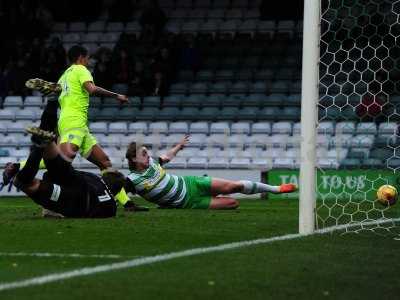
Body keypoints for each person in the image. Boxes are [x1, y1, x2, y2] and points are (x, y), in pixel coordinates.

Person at [4, 45, 141, 210]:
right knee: (61, 161)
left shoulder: (63, 77)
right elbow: (91, 89)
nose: (88, 61)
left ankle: (127, 203)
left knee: (104, 162)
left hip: (74, 123)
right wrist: (116, 95)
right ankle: (18, 166)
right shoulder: (81, 69)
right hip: (74, 122)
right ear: (82, 57)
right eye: (88, 58)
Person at [124, 136, 297, 209]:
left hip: (191, 183)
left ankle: (276, 189)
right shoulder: (133, 180)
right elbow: (117, 191)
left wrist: (178, 146)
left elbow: (166, 157)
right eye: (144, 153)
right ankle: (210, 192)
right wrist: (128, 206)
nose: (148, 155)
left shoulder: (153, 163)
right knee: (233, 204)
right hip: (189, 202)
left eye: (147, 152)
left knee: (233, 186)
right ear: (133, 159)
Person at [13, 106, 124, 218]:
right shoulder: (112, 207)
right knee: (23, 182)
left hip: (79, 184)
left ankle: (51, 107)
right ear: (116, 193)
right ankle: (40, 146)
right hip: (77, 203)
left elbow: (64, 172)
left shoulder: (96, 178)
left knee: (55, 167)